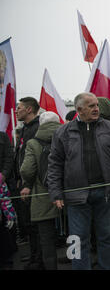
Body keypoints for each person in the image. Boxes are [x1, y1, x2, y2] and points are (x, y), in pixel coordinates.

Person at [47, 92, 110, 270]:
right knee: (76, 239)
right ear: (79, 110)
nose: (96, 108)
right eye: (91, 105)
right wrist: (55, 192)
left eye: (97, 105)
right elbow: (54, 164)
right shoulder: (62, 132)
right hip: (76, 196)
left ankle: (107, 267)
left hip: (105, 193)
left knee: (107, 236)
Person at [19, 111, 63, 270]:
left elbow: (27, 170)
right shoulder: (68, 138)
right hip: (69, 193)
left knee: (46, 239)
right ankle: (76, 262)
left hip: (43, 195)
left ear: (41, 124)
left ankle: (51, 267)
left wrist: (28, 184)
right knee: (75, 234)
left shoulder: (33, 143)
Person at [14, 97, 43, 269]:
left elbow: (33, 161)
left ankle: (39, 260)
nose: (17, 111)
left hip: (32, 185)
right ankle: (33, 256)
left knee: (36, 224)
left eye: (19, 108)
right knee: (28, 223)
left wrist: (27, 183)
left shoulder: (36, 129)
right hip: (23, 183)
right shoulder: (25, 128)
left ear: (29, 109)